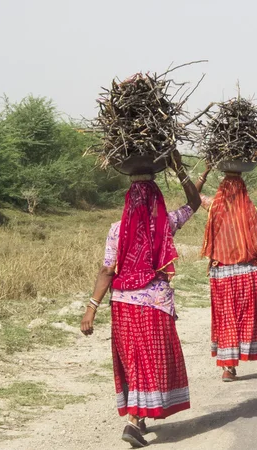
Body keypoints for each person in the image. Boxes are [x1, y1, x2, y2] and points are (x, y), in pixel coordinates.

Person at [80, 151, 201, 448]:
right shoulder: (166, 223)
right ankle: (134, 421)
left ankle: (138, 416)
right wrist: (178, 168)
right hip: (154, 303)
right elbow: (195, 203)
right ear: (157, 198)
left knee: (133, 360)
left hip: (122, 303)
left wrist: (90, 309)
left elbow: (107, 270)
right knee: (149, 360)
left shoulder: (116, 229)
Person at [197, 169, 257, 381]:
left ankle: (228, 367)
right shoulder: (248, 208)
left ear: (221, 189)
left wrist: (204, 173)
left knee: (226, 317)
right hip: (246, 272)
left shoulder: (214, 206)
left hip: (221, 273)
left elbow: (193, 197)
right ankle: (240, 355)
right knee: (243, 316)